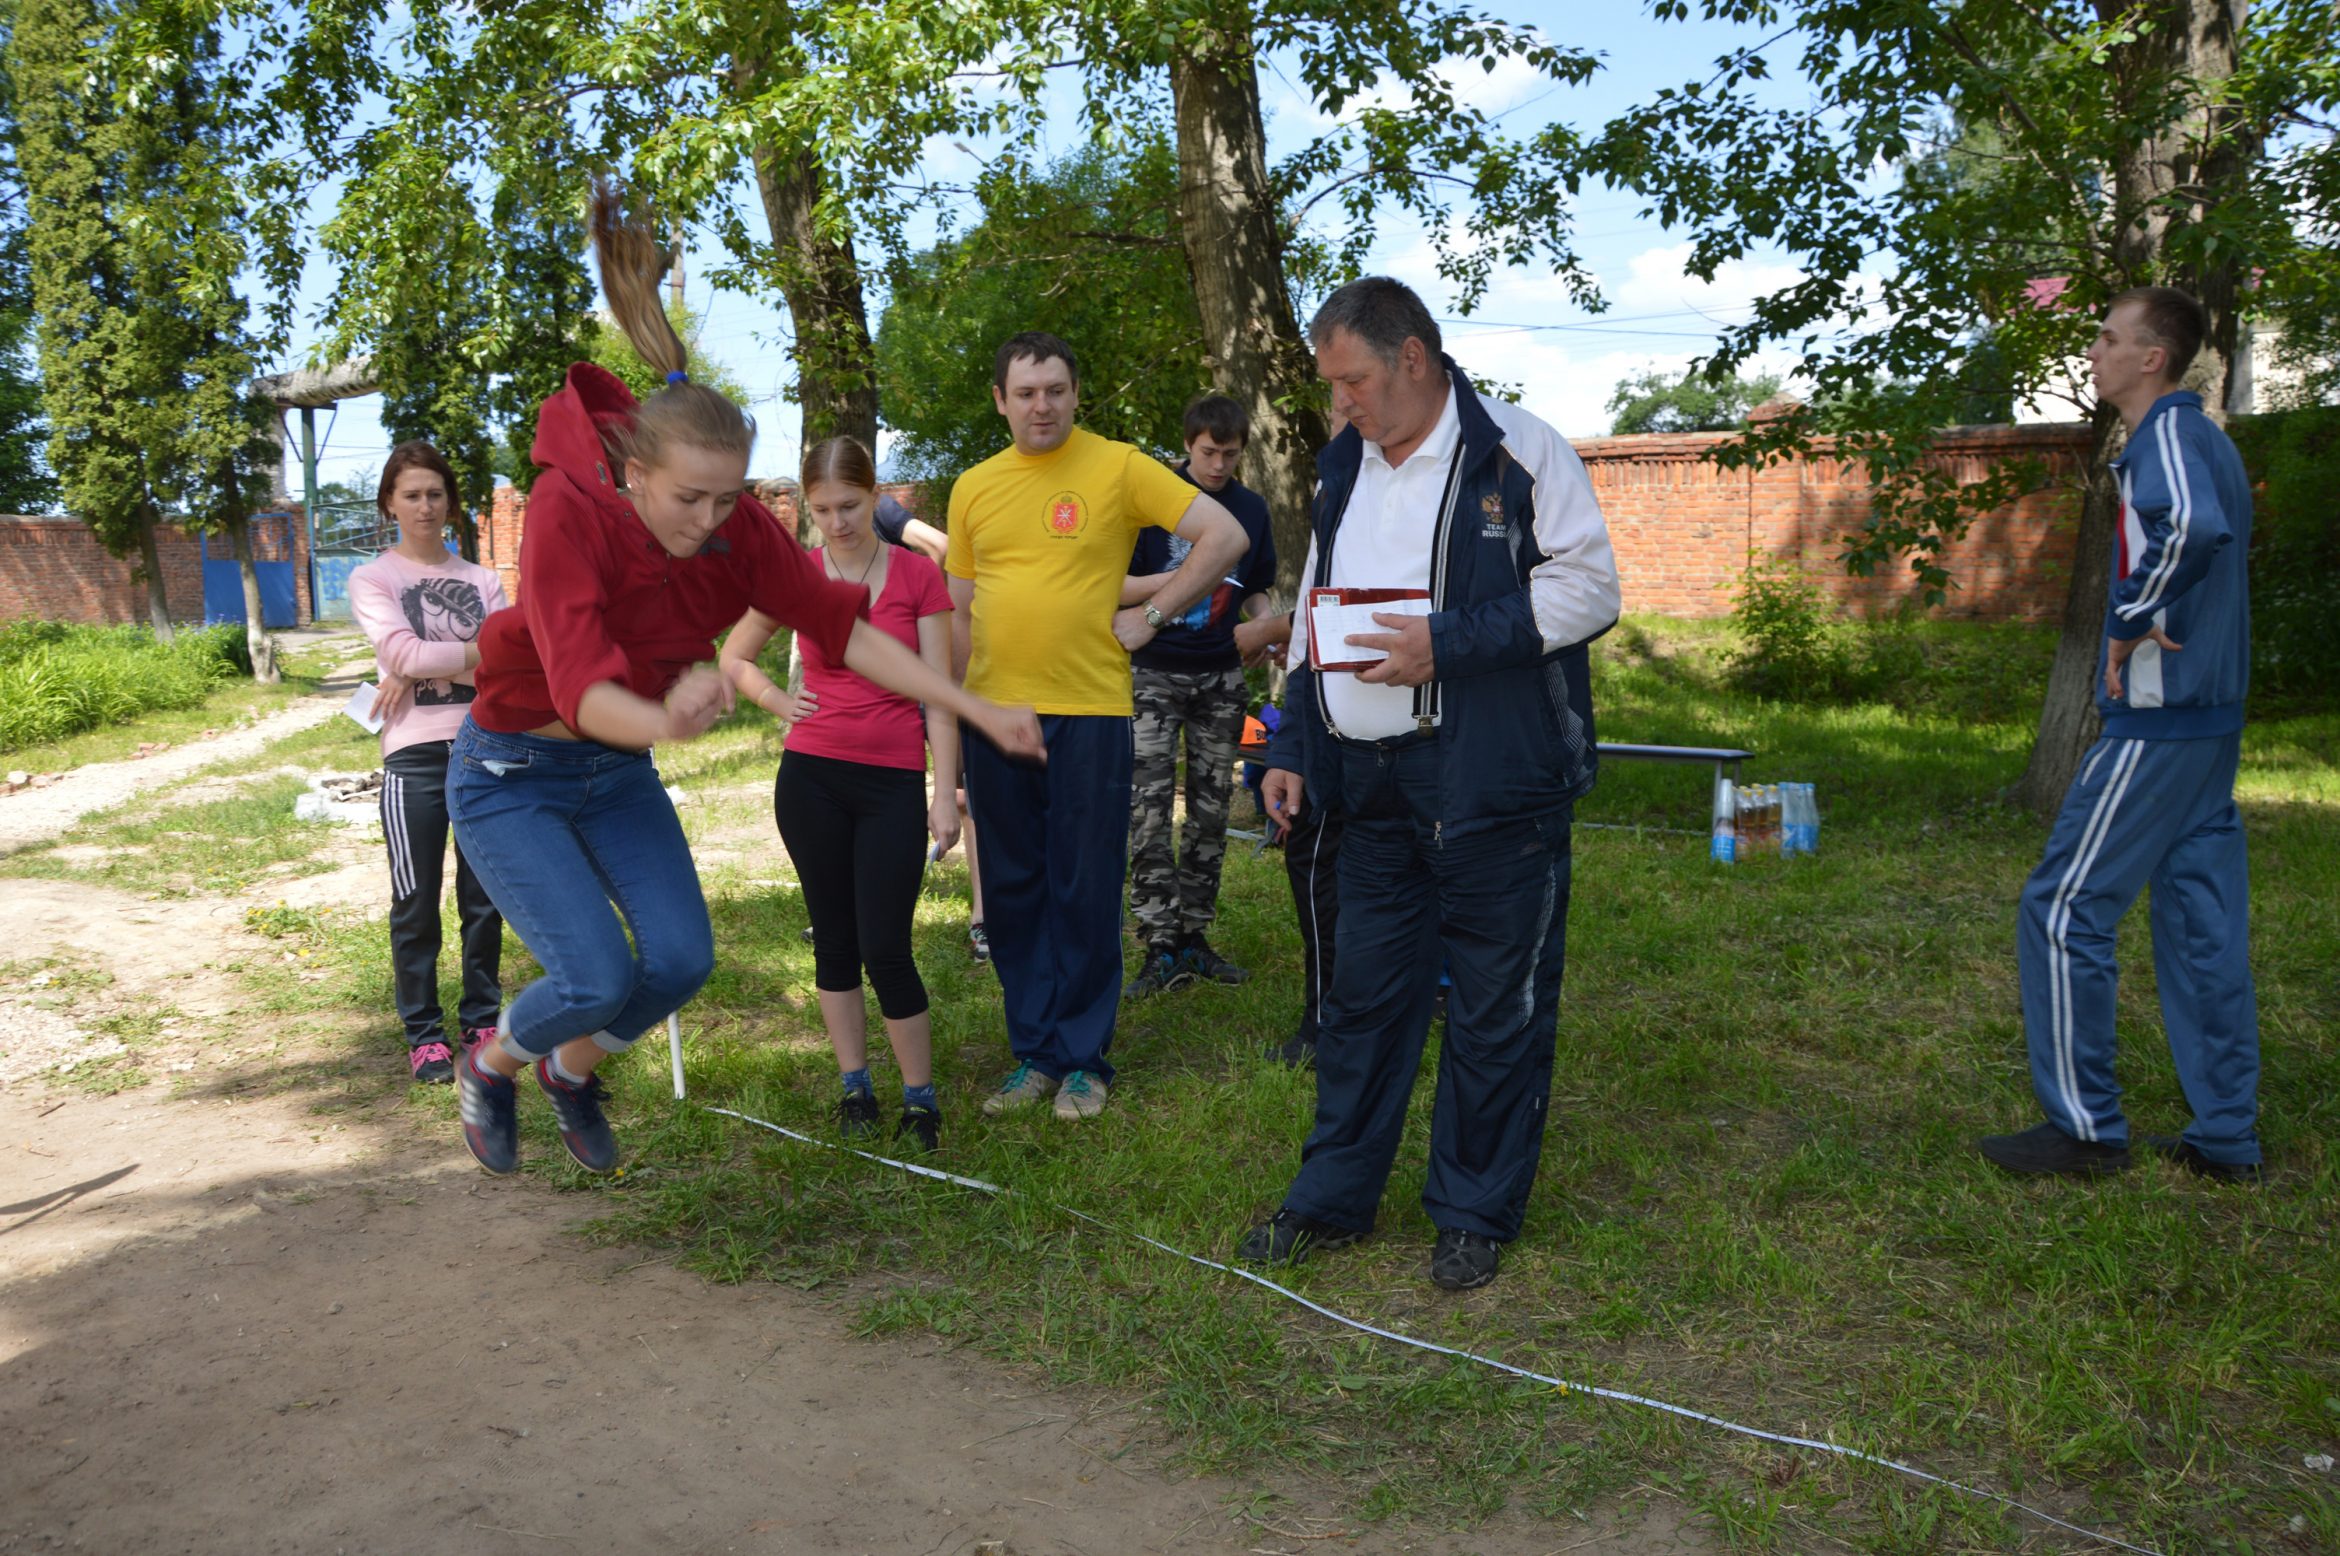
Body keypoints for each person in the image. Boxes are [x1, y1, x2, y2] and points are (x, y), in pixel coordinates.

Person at [445, 179, 1042, 1177]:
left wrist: (971, 704)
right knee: (592, 970)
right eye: (690, 498)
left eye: (730, 499)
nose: (712, 522)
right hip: (514, 770)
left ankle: (571, 1072)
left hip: (614, 771)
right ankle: (495, 1060)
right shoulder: (563, 514)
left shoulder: (742, 528)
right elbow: (581, 685)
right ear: (635, 472)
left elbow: (846, 632)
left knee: (681, 960)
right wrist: (667, 716)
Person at [1241, 277, 1621, 1291]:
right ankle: (1331, 1198)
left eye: (1353, 381)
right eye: (1333, 388)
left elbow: (1589, 588)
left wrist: (1445, 644)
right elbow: (1315, 606)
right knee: (1363, 1000)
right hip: (1365, 784)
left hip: (1492, 781)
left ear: (1415, 358)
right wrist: (1287, 740)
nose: (1342, 405)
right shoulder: (1343, 467)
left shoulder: (1518, 449)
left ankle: (1472, 1210)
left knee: (1497, 1003)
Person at [1978, 286, 2262, 1183]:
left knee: (2062, 910)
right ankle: (2226, 1136)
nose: (2092, 352)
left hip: (2161, 725)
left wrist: (2136, 612)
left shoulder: (2167, 435)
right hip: (2208, 726)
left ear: (2153, 358)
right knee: (2200, 924)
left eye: (2108, 338)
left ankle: (2086, 1131)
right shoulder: (2206, 438)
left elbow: (2197, 528)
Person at [948, 332, 1248, 1122]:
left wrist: (1154, 613)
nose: (1040, 405)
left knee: (1083, 885)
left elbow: (1226, 537)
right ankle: (1034, 1055)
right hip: (995, 712)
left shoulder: (1117, 466)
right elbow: (956, 610)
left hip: (1090, 711)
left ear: (1077, 394)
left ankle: (1084, 1060)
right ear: (1000, 401)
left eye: (1054, 389)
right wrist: (950, 716)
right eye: (1025, 392)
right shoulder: (973, 487)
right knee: (1012, 891)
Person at [722, 437, 961, 1151]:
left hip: (890, 779)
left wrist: (944, 794)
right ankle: (854, 1085)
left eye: (851, 506)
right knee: (833, 938)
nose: (839, 521)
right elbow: (733, 655)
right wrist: (775, 700)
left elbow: (941, 700)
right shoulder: (798, 574)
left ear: (875, 493)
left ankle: (920, 1097)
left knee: (886, 944)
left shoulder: (919, 577)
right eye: (823, 509)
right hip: (811, 780)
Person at [346, 442, 507, 1084]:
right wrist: (473, 650)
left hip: (485, 747)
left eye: (435, 494)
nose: (424, 505)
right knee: (415, 898)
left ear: (450, 503)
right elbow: (402, 653)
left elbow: (510, 654)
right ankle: (424, 1034)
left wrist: (422, 658)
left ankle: (482, 1020)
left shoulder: (482, 579)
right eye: (411, 494)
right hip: (411, 756)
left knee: (485, 896)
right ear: (390, 503)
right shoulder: (374, 578)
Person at [1122, 393, 1278, 997]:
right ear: (1187, 445)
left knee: (1212, 811)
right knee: (1149, 811)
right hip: (1153, 672)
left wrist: (1269, 625)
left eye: (1230, 454)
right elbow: (1116, 585)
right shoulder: (1153, 501)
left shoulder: (1251, 510)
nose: (1218, 465)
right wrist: (1182, 584)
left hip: (1221, 674)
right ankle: (1158, 943)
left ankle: (1194, 938)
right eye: (1209, 452)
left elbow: (1256, 589)